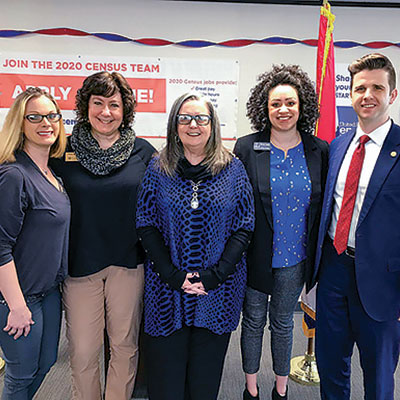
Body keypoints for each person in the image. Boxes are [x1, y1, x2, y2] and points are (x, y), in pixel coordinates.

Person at [136, 92, 255, 400]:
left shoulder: (233, 169)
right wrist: (173, 276)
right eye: (185, 118)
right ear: (174, 124)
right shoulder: (157, 168)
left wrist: (214, 276)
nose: (193, 125)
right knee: (165, 385)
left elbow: (244, 227)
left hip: (218, 292)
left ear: (212, 125)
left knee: (203, 385)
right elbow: (146, 224)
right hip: (166, 291)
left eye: (201, 118)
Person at [51, 71, 155, 400]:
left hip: (128, 264)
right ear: (86, 106)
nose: (106, 112)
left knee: (124, 346)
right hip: (80, 265)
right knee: (82, 351)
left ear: (125, 110)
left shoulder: (143, 151)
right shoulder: (62, 151)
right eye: (98, 103)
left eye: (114, 104)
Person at [234, 64, 329, 400]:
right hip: (255, 254)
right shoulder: (246, 147)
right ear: (265, 108)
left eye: (290, 103)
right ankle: (250, 387)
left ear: (301, 106)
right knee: (253, 321)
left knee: (283, 323)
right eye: (276, 104)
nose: (283, 110)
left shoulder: (319, 150)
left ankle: (280, 387)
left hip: (295, 257)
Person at [312, 53, 400, 400]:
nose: (367, 95)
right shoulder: (337, 146)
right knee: (331, 366)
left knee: (378, 377)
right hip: (333, 272)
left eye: (377, 87)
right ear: (350, 94)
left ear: (392, 95)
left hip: (382, 282)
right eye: (360, 87)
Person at [0, 87, 70, 399]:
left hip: (48, 293)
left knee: (46, 364)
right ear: (20, 123)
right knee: (20, 375)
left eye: (52, 115)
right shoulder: (13, 174)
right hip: (18, 298)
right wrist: (16, 305)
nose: (46, 123)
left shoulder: (52, 174)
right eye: (35, 117)